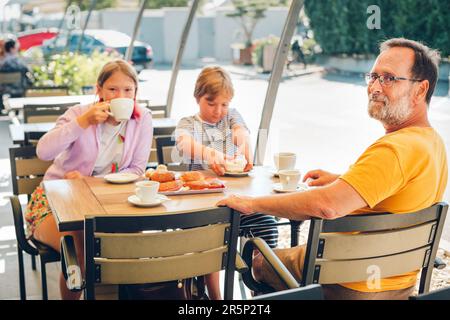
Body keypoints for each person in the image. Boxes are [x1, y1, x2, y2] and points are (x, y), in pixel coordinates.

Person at [217, 38, 448, 300]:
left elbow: (327, 206)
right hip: (398, 286)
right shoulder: (432, 144)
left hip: (347, 285)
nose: (374, 86)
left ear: (421, 90)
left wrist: (252, 204)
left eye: (389, 78)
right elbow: (400, 191)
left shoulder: (394, 149)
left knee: (255, 257)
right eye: (373, 76)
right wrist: (343, 180)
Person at [25, 59, 153, 300]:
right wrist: (83, 122)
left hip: (107, 203)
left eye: (128, 90)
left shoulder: (142, 118)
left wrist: (90, 182)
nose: (120, 96)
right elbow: (43, 152)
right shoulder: (78, 114)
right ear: (99, 90)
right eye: (112, 89)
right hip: (56, 202)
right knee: (77, 251)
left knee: (132, 247)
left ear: (136, 92)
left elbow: (137, 169)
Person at [175, 66, 279, 299]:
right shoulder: (188, 123)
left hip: (239, 204)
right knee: (212, 241)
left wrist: (244, 150)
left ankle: (260, 291)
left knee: (267, 226)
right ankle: (217, 298)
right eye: (211, 103)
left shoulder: (232, 116)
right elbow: (184, 144)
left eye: (224, 104)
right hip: (205, 209)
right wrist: (211, 155)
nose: (218, 111)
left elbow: (241, 133)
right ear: (197, 98)